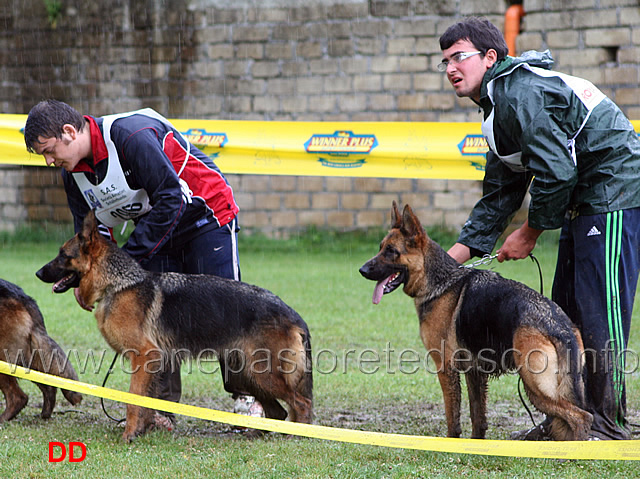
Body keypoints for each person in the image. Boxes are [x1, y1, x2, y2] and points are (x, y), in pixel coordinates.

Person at [439, 17, 640, 440]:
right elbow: (499, 194)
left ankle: (606, 424)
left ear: (490, 57)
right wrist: (446, 264)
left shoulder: (519, 93)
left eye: (458, 57)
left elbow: (556, 171)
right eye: (444, 62)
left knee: (598, 312)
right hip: (581, 201)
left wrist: (529, 232)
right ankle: (566, 421)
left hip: (612, 191)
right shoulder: (496, 108)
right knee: (565, 312)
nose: (450, 69)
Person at [24, 100, 264, 429]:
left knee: (226, 310)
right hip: (157, 227)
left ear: (69, 132)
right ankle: (159, 409)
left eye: (49, 151)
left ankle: (248, 398)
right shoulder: (73, 176)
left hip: (205, 215)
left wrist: (123, 264)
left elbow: (171, 196)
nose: (50, 161)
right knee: (156, 319)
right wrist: (86, 280)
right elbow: (91, 237)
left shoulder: (129, 136)